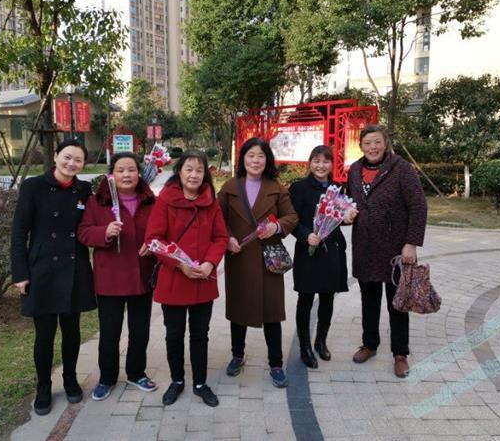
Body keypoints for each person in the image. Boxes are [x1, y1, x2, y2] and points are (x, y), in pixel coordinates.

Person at [10, 139, 96, 416]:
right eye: (67, 157)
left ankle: (70, 380)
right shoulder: (33, 186)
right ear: (56, 156)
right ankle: (44, 387)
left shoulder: (84, 189)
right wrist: (20, 273)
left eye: (78, 160)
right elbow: (19, 232)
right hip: (43, 271)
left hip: (74, 268)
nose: (72, 163)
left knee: (72, 332)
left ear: (83, 164)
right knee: (44, 335)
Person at [144, 150, 229, 407]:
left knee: (200, 334)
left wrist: (210, 263)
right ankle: (177, 380)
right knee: (174, 334)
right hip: (174, 279)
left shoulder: (210, 201)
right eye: (189, 169)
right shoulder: (165, 200)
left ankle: (200, 383)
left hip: (203, 278)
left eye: (199, 170)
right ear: (179, 172)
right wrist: (180, 265)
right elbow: (154, 239)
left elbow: (220, 238)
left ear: (205, 174)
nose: (194, 175)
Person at [346, 125, 427, 378]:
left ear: (385, 143)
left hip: (395, 250)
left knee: (397, 303)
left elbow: (418, 206)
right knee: (368, 300)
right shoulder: (354, 170)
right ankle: (370, 344)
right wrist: (346, 215)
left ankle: (400, 354)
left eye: (377, 142)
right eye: (367, 143)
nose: (373, 147)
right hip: (365, 246)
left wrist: (411, 243)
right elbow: (349, 203)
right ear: (361, 146)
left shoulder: (402, 169)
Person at [218, 138, 298, 388]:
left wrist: (277, 226)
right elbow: (218, 219)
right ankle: (237, 355)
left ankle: (276, 364)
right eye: (251, 155)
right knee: (239, 311)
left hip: (267, 259)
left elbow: (291, 216)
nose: (255, 160)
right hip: (239, 257)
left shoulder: (276, 188)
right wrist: (228, 237)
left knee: (272, 313)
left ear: (267, 160)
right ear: (242, 158)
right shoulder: (230, 187)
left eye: (260, 156)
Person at [77, 152, 158, 401]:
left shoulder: (149, 200)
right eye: (120, 170)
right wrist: (105, 232)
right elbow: (83, 232)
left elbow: (162, 231)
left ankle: (136, 372)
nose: (126, 174)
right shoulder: (98, 201)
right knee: (110, 332)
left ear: (139, 173)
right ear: (111, 174)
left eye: (131, 169)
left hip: (141, 276)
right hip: (110, 278)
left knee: (140, 330)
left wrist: (154, 244)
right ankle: (107, 378)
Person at [288, 145, 358, 369]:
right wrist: (305, 235)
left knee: (328, 298)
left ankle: (320, 341)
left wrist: (349, 217)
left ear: (332, 164)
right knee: (306, 299)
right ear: (310, 163)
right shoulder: (298, 188)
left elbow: (340, 219)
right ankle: (304, 347)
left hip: (332, 251)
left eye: (325, 161)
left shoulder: (338, 188)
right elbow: (291, 220)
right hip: (308, 252)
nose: (321, 166)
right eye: (316, 161)